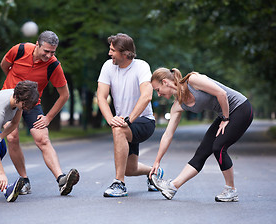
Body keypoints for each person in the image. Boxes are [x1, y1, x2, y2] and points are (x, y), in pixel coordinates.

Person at [149, 67, 253, 202]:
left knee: (218, 147)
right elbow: (168, 134)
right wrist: (157, 161)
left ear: (165, 82)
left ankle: (231, 190)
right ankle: (172, 187)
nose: (158, 94)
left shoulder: (192, 81)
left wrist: (226, 119)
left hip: (241, 108)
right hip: (225, 114)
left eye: (158, 90)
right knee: (202, 151)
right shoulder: (177, 106)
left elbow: (221, 93)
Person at [0, 30, 79, 196]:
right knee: (12, 137)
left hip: (32, 104)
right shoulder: (19, 50)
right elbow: (4, 65)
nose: (49, 55)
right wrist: (13, 85)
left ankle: (61, 180)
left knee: (42, 139)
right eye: (46, 51)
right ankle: (24, 181)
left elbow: (65, 95)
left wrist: (48, 117)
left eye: (53, 52)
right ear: (37, 45)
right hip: (10, 100)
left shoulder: (53, 65)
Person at [97, 33, 163, 197]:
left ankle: (119, 183)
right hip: (124, 122)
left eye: (113, 50)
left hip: (143, 121)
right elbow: (101, 97)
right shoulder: (108, 67)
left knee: (118, 130)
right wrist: (111, 119)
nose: (109, 53)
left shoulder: (141, 67)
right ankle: (154, 172)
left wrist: (128, 120)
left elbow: (146, 95)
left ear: (125, 53)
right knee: (130, 169)